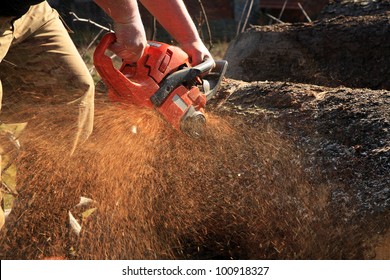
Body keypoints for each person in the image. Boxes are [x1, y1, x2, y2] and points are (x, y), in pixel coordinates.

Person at [0, 0, 213, 230]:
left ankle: (39, 223)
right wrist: (127, 20)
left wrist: (190, 40)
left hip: (26, 12)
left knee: (70, 91)